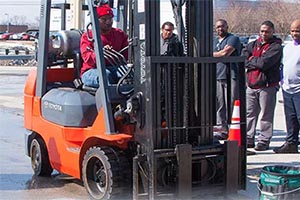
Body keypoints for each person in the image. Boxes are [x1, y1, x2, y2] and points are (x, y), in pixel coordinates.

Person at [244, 21, 282, 151]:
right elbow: (243, 57)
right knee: (249, 114)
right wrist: (253, 61)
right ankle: (249, 138)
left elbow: (264, 63)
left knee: (266, 114)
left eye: (267, 31)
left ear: (272, 32)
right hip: (251, 85)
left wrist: (251, 60)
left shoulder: (275, 47)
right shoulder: (253, 44)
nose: (264, 34)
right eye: (262, 31)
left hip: (267, 86)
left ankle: (264, 140)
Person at [80, 5, 129, 87]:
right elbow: (88, 58)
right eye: (104, 19)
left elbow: (127, 53)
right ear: (96, 20)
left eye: (110, 18)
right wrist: (101, 52)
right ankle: (111, 99)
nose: (108, 22)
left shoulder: (119, 34)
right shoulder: (89, 36)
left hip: (113, 67)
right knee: (105, 75)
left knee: (129, 73)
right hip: (91, 70)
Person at [274, 19, 300, 153]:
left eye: (298, 31)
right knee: (291, 118)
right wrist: (282, 81)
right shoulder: (288, 46)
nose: (295, 33)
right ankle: (291, 144)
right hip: (287, 88)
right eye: (293, 31)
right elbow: (282, 65)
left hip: (299, 89)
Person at [213, 19, 242, 140]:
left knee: (231, 103)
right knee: (220, 104)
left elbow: (225, 53)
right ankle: (222, 129)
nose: (220, 29)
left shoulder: (233, 39)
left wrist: (213, 53)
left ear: (227, 27)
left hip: (231, 76)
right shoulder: (214, 40)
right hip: (218, 76)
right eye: (218, 27)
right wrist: (217, 53)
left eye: (222, 26)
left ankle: (234, 128)